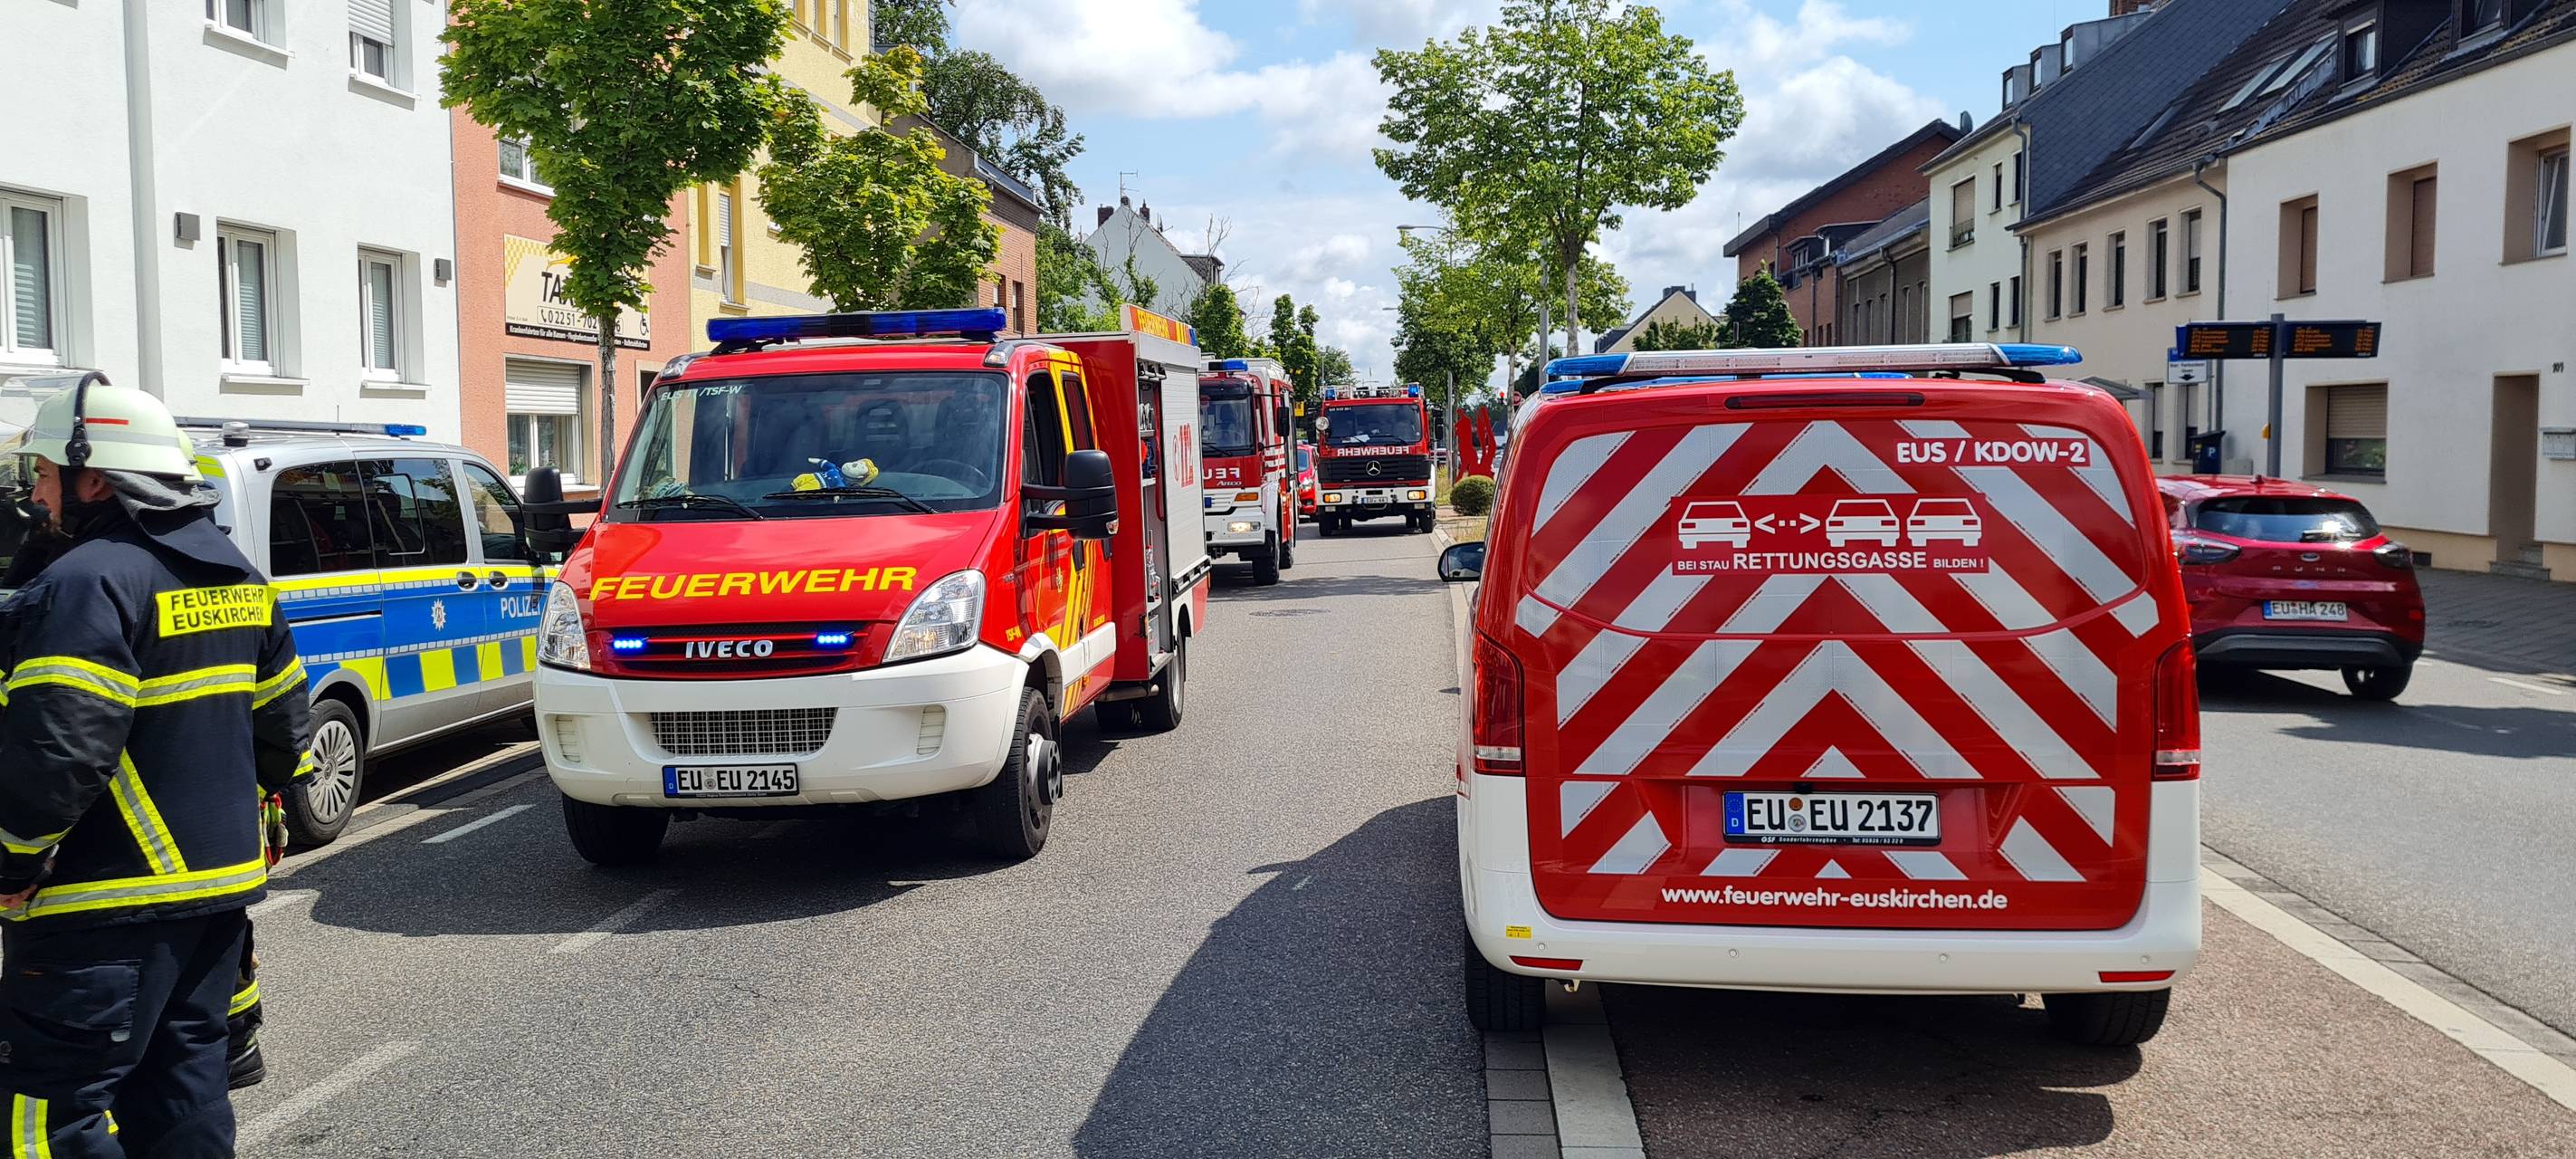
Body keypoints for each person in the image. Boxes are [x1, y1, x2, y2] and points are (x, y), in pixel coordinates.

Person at [0, 376, 310, 1155]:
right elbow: (284, 731)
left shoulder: (85, 581)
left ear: (93, 476)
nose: (37, 495)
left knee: (48, 1120)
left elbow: (60, 747)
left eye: (43, 474)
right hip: (214, 899)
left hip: (99, 903)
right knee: (182, 1095)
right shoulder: (239, 579)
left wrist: (13, 857)